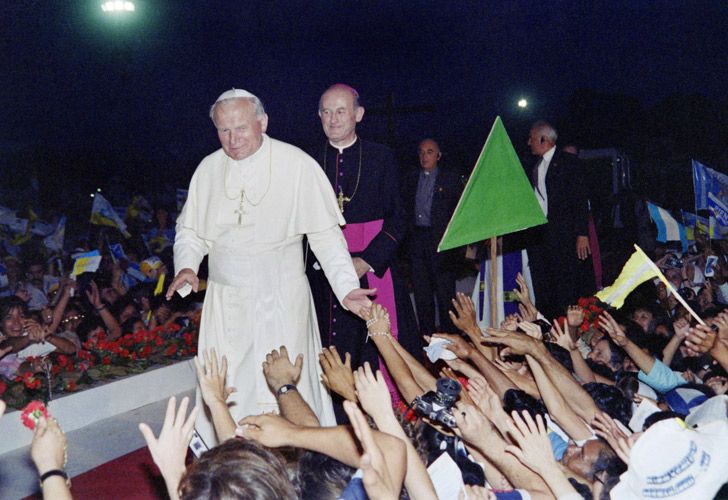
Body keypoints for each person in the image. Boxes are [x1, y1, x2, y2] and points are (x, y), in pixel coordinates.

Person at [167, 88, 371, 445]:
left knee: (286, 379)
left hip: (282, 298)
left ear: (262, 122)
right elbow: (190, 233)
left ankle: (300, 455)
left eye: (241, 128)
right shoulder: (208, 170)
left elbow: (325, 236)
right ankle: (230, 459)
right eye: (224, 131)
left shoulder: (296, 164)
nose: (232, 140)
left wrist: (345, 287)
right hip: (226, 302)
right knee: (229, 383)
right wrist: (187, 267)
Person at [307, 84, 415, 403]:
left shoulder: (381, 156)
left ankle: (390, 409)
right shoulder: (310, 162)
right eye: (326, 112)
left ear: (358, 114)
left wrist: (366, 260)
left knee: (378, 343)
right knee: (330, 344)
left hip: (373, 264)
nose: (333, 118)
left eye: (341, 111)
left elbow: (399, 218)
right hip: (323, 270)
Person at [526, 121, 590, 319]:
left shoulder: (569, 163)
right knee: (542, 286)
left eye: (532, 138)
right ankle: (546, 328)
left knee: (564, 285)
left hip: (563, 236)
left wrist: (582, 234)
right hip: (540, 237)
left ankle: (566, 331)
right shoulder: (534, 166)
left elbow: (580, 199)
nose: (528, 143)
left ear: (543, 140)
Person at [402, 138, 463, 336]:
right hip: (418, 242)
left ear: (438, 155)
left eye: (429, 152)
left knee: (445, 294)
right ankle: (427, 337)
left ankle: (451, 337)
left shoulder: (450, 179)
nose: (424, 156)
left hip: (441, 243)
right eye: (421, 152)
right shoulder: (411, 179)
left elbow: (458, 211)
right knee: (422, 293)